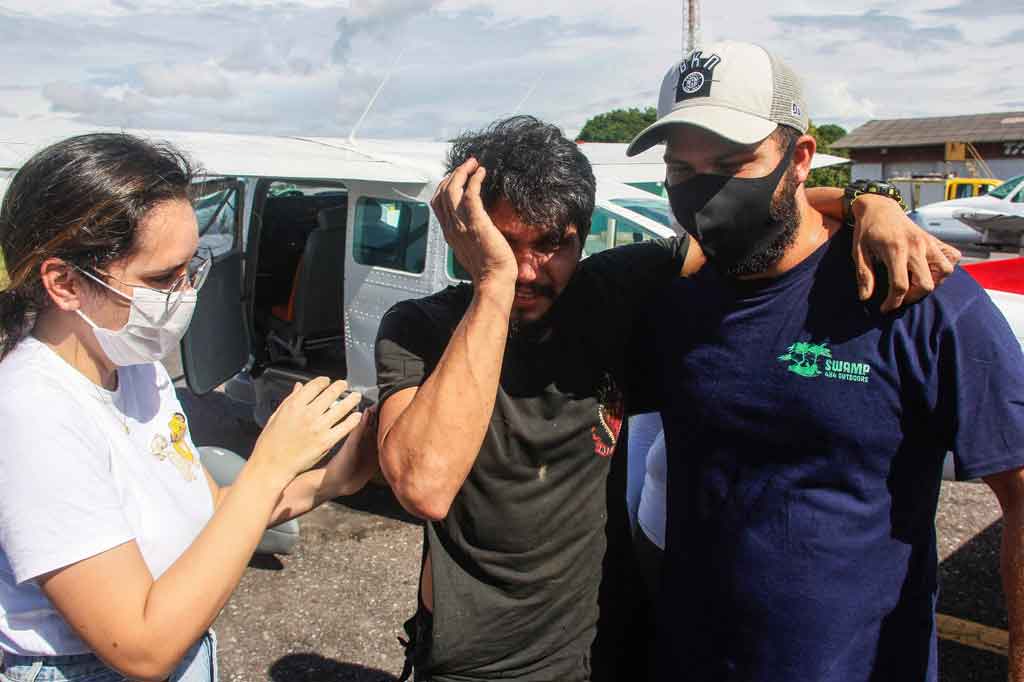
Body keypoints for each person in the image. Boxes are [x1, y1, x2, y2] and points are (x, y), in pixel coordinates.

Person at [374, 116, 960, 682]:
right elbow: (424, 484)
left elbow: (759, 222)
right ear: (465, 232)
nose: (528, 269)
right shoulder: (420, 328)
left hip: (615, 646)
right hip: (482, 664)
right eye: (505, 242)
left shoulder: (609, 290)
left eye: (553, 244)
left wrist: (870, 204)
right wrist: (491, 283)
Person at [624, 41, 1024, 681]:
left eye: (732, 162)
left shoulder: (914, 294)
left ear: (801, 157)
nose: (705, 193)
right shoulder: (677, 300)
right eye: (682, 169)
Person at [0, 133, 379, 682]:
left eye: (190, 269)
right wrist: (272, 460)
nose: (184, 295)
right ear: (64, 283)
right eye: (160, 279)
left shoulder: (135, 365)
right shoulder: (30, 413)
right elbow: (141, 647)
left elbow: (217, 511)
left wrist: (337, 478)